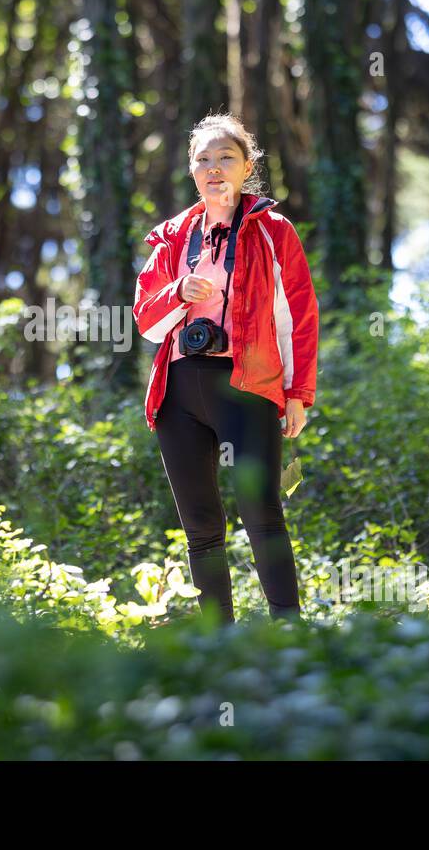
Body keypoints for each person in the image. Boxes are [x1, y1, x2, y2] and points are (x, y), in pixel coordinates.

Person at [133, 112, 319, 625]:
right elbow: (146, 322)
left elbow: (297, 314)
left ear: (247, 166)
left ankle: (288, 627)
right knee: (200, 525)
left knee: (262, 512)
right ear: (192, 170)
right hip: (178, 391)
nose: (214, 169)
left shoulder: (271, 230)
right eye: (203, 160)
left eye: (226, 158)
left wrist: (297, 390)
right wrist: (178, 292)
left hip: (248, 384)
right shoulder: (172, 236)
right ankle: (219, 641)